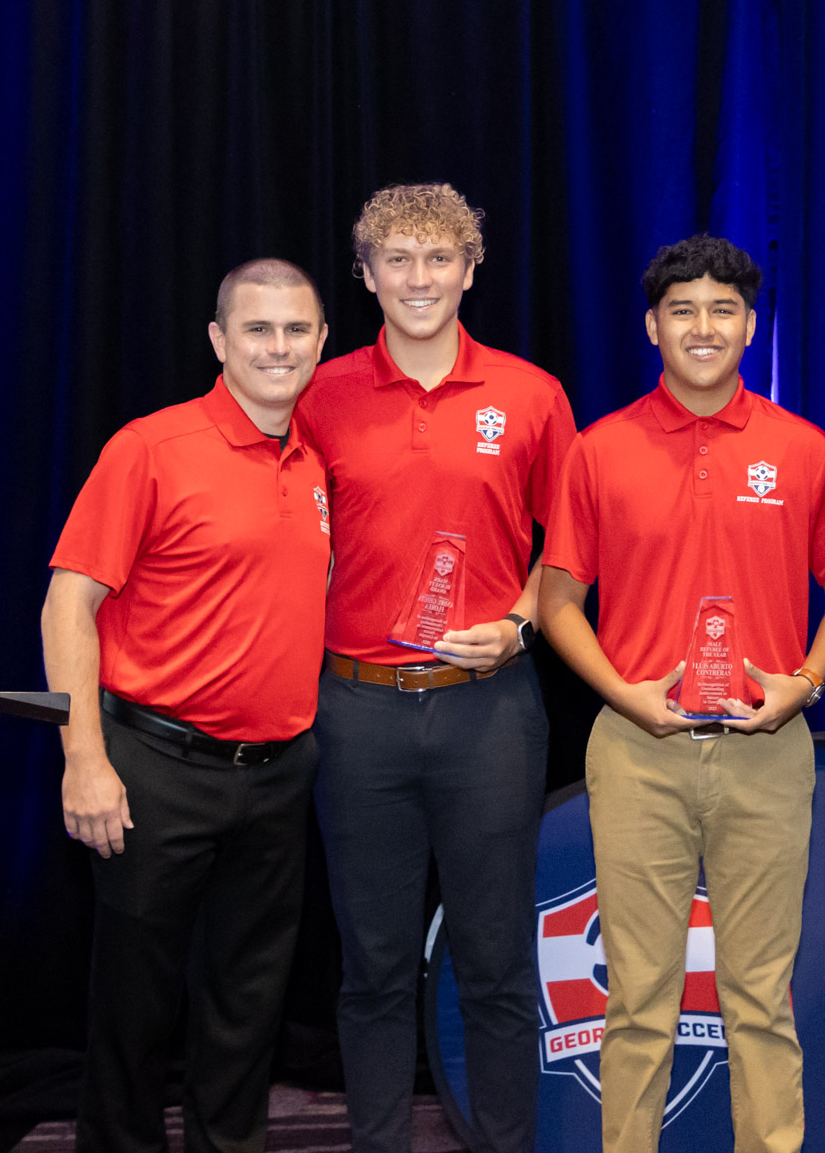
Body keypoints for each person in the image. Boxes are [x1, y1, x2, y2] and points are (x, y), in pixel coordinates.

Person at [539, 235, 825, 1153]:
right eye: (682, 310)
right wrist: (625, 694)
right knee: (639, 998)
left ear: (751, 325)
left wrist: (801, 686)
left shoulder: (803, 451)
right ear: (651, 327)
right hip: (638, 751)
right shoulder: (599, 451)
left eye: (723, 310)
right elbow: (558, 602)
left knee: (759, 995)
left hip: (768, 750)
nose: (703, 327)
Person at [294, 183, 576, 1153]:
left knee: (495, 963)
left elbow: (575, 542)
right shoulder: (319, 394)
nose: (421, 279)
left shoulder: (532, 395)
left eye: (440, 258)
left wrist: (523, 623)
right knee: (371, 966)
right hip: (354, 707)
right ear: (366, 275)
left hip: (489, 710)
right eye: (399, 261)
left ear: (472, 267)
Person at [41, 259, 330, 1153]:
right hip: (155, 769)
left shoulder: (314, 459)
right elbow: (67, 604)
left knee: (247, 1006)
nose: (278, 348)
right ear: (218, 341)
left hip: (278, 774)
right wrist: (83, 759)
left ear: (322, 341)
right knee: (135, 1009)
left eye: (295, 330)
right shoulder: (153, 448)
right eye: (257, 330)